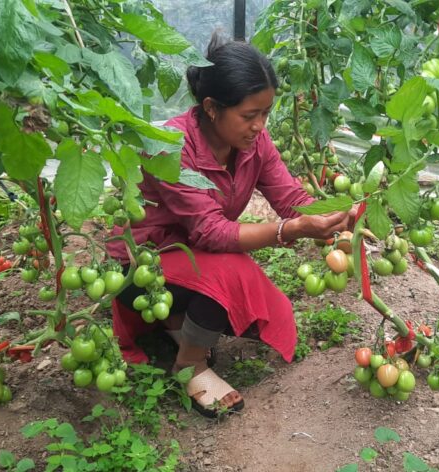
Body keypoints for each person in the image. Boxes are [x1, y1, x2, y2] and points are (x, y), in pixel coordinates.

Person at [106, 34, 352, 417]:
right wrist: (289, 231)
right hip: (139, 265)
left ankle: (176, 321)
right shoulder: (169, 146)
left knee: (242, 288)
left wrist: (336, 212)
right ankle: (189, 365)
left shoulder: (255, 143)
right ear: (211, 108)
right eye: (249, 115)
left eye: (266, 113)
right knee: (233, 274)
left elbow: (289, 197)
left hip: (187, 255)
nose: (259, 125)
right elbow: (211, 232)